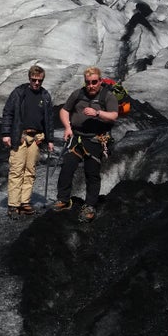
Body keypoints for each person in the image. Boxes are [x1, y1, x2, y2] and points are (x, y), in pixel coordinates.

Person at [53, 66, 118, 222]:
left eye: (94, 82)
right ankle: (63, 199)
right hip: (77, 138)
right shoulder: (78, 94)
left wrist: (97, 113)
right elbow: (64, 110)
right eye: (88, 82)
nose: (91, 85)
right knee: (67, 166)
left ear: (100, 81)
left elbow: (114, 116)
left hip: (96, 139)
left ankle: (90, 206)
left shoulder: (107, 96)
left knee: (92, 172)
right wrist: (68, 127)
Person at [1, 65, 55, 216]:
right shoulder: (19, 93)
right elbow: (8, 113)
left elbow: (49, 120)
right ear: (29, 78)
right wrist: (6, 133)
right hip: (20, 136)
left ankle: (25, 202)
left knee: (30, 171)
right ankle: (13, 204)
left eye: (40, 80)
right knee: (17, 170)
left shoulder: (45, 96)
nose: (37, 83)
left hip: (36, 138)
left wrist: (49, 139)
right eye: (34, 80)